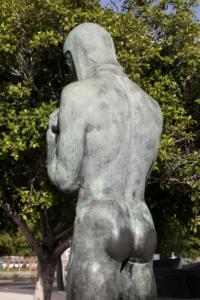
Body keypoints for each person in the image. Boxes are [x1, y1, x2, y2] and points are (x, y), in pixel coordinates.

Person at [47, 23, 162, 300]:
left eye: (70, 60)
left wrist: (52, 139)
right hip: (142, 223)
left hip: (99, 220)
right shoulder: (151, 106)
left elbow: (66, 178)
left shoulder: (76, 94)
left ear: (80, 54)